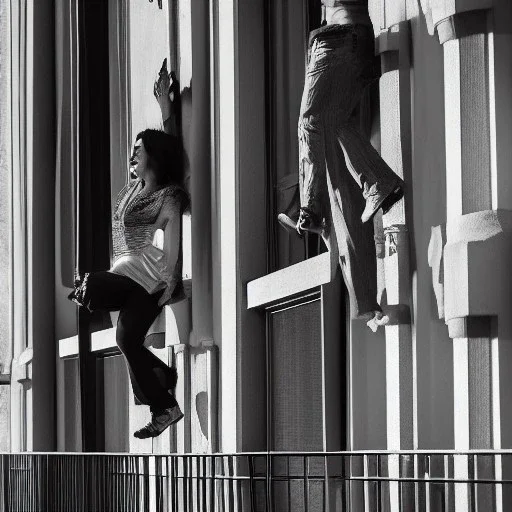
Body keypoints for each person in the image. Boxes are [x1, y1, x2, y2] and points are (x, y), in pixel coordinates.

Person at [69, 60, 189, 439]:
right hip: (127, 278)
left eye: (138, 150)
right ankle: (164, 381)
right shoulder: (133, 192)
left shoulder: (167, 195)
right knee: (103, 302)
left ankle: (164, 407)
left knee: (123, 337)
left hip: (149, 283)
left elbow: (173, 246)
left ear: (152, 155)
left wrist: (170, 282)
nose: (132, 155)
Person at [278, 0, 403, 331]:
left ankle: (312, 211)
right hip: (345, 41)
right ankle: (365, 301)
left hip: (338, 40)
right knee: (337, 156)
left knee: (311, 123)